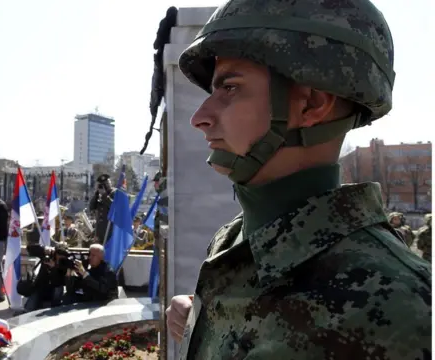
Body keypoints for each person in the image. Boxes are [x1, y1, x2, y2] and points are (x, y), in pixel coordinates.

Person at [164, 1, 432, 359]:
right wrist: (206, 328)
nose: (200, 116)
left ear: (312, 104)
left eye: (230, 88)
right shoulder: (233, 241)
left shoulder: (403, 306)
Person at [89, 174, 116, 244]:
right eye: (103, 184)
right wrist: (96, 194)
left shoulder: (115, 193)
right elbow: (91, 207)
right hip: (99, 229)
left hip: (110, 228)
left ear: (110, 183)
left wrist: (104, 195)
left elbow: (114, 207)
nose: (106, 185)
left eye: (107, 183)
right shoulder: (99, 194)